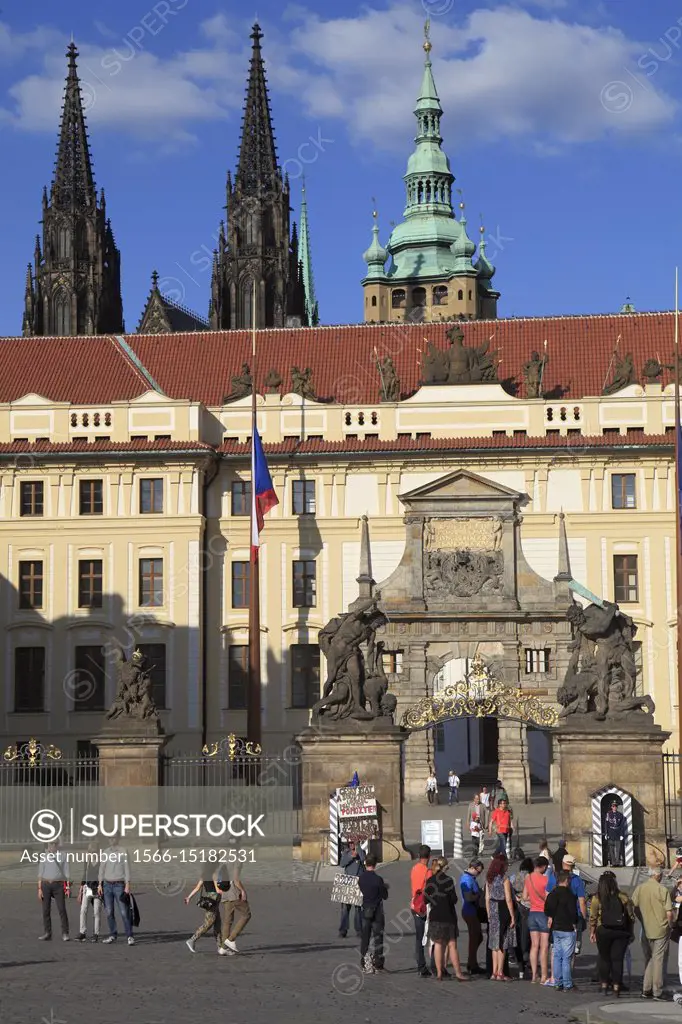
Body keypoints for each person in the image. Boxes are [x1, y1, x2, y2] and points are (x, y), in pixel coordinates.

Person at [589, 870, 634, 998]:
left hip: (603, 930)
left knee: (604, 958)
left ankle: (604, 986)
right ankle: (616, 988)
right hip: (621, 931)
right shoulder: (623, 897)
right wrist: (630, 932)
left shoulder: (597, 898)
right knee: (617, 960)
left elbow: (593, 916)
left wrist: (592, 931)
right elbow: (631, 917)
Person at [632, 865, 673, 1000]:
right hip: (661, 928)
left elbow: (634, 907)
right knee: (658, 959)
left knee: (649, 958)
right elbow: (669, 912)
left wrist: (642, 919)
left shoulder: (640, 888)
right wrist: (670, 925)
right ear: (658, 876)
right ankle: (657, 991)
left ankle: (646, 989)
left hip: (646, 928)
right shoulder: (662, 889)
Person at [426, 858, 468, 981]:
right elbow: (454, 899)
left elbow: (425, 900)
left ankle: (439, 973)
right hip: (448, 916)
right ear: (445, 867)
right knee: (452, 944)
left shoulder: (430, 881)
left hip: (435, 916)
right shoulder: (448, 880)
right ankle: (458, 973)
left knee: (438, 944)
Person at [546, 854, 587, 955]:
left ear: (562, 864)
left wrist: (549, 917)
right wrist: (583, 918)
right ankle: (569, 970)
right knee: (572, 950)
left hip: (556, 917)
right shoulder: (577, 880)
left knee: (555, 948)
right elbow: (581, 901)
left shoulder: (553, 878)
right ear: (573, 866)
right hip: (574, 916)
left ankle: (555, 970)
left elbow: (547, 897)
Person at [545, 870, 578, 991]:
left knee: (557, 956)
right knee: (566, 958)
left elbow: (547, 910)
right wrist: (574, 923)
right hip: (567, 928)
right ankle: (567, 984)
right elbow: (573, 912)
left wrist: (551, 918)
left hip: (556, 928)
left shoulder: (552, 893)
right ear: (567, 880)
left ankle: (558, 982)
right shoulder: (569, 895)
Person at [97, 834, 133, 946]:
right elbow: (101, 868)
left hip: (119, 885)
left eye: (113, 837)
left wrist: (127, 884)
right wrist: (99, 884)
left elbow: (127, 868)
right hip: (107, 885)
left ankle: (129, 936)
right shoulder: (105, 852)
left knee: (124, 912)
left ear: (118, 838)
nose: (111, 839)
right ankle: (113, 934)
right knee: (109, 912)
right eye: (109, 838)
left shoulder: (123, 851)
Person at [486, 853, 516, 981]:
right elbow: (508, 899)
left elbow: (487, 897)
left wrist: (488, 913)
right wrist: (512, 916)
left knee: (494, 943)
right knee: (503, 942)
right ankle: (500, 972)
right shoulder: (505, 879)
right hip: (502, 908)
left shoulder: (489, 879)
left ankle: (494, 972)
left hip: (493, 909)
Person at [522, 856, 551, 984]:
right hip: (543, 913)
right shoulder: (546, 879)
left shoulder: (528, 878)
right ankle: (544, 975)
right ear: (543, 866)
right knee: (544, 947)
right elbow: (549, 899)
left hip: (532, 913)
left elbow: (524, 897)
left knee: (534, 946)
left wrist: (533, 900)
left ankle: (534, 975)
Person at [358, 854, 388, 974]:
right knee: (378, 938)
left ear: (366, 864)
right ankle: (378, 963)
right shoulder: (378, 879)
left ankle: (364, 962)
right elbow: (384, 896)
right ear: (375, 865)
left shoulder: (361, 878)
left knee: (365, 937)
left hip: (365, 909)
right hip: (377, 911)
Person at [38, 840, 69, 941]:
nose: (53, 846)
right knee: (45, 910)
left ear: (57, 845)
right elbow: (40, 873)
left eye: (55, 844)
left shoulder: (63, 855)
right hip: (46, 885)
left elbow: (66, 872)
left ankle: (65, 933)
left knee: (62, 909)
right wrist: (39, 889)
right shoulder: (44, 856)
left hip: (58, 885)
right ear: (48, 845)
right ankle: (48, 933)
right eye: (51, 844)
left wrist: (67, 887)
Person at [184, 870, 222, 954]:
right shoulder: (215, 874)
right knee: (208, 923)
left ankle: (220, 947)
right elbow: (218, 890)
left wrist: (189, 897)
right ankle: (192, 940)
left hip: (210, 899)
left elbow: (197, 888)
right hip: (214, 899)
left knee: (217, 924)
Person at [460, 859, 485, 974]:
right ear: (473, 868)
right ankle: (471, 963)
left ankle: (472, 961)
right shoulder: (466, 879)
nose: (479, 874)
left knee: (477, 937)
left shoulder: (470, 878)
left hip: (472, 912)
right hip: (469, 912)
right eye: (478, 872)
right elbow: (468, 898)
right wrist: (479, 894)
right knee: (475, 938)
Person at [410, 844, 432, 977]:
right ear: (429, 857)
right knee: (425, 937)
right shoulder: (427, 871)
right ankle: (423, 966)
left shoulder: (414, 868)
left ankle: (420, 963)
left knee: (419, 937)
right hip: (424, 906)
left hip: (414, 904)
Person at [219, 863, 251, 954]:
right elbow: (236, 879)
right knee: (246, 914)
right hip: (234, 894)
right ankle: (231, 939)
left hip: (225, 894)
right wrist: (243, 890)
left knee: (227, 921)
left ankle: (223, 948)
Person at [338, 841, 365, 938]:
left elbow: (363, 858)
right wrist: (351, 857)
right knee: (345, 909)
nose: (352, 845)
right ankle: (343, 930)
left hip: (358, 882)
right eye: (350, 843)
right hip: (348, 882)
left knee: (358, 908)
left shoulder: (361, 851)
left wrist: (358, 848)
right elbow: (342, 864)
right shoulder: (346, 853)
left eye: (354, 843)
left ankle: (359, 930)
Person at [77, 842, 101, 942]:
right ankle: (82, 932)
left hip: (97, 889)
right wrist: (80, 891)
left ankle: (96, 934)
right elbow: (84, 875)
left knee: (96, 912)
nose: (91, 853)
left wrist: (101, 886)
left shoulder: (101, 862)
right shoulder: (87, 861)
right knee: (83, 910)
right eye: (89, 851)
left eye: (93, 851)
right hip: (88, 888)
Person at [604, 800, 627, 868]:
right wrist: (606, 833)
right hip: (611, 832)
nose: (614, 807)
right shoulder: (608, 814)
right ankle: (613, 862)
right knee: (611, 849)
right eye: (613, 806)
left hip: (617, 833)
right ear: (611, 807)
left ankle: (617, 862)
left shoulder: (620, 815)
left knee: (618, 849)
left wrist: (621, 834)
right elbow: (606, 824)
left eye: (615, 806)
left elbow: (622, 825)